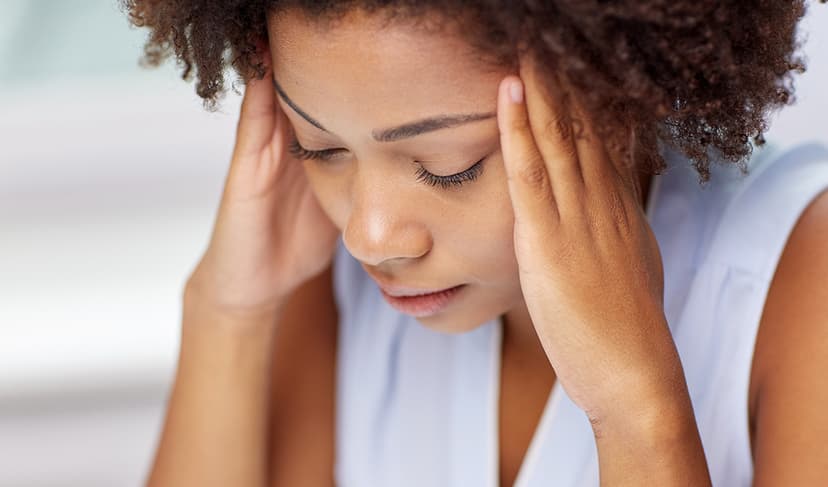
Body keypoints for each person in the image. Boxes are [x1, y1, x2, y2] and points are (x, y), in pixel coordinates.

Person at [125, 1, 828, 485]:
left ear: (614, 96)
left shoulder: (798, 281)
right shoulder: (326, 275)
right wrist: (225, 311)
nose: (370, 235)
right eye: (323, 149)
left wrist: (635, 408)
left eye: (448, 165)